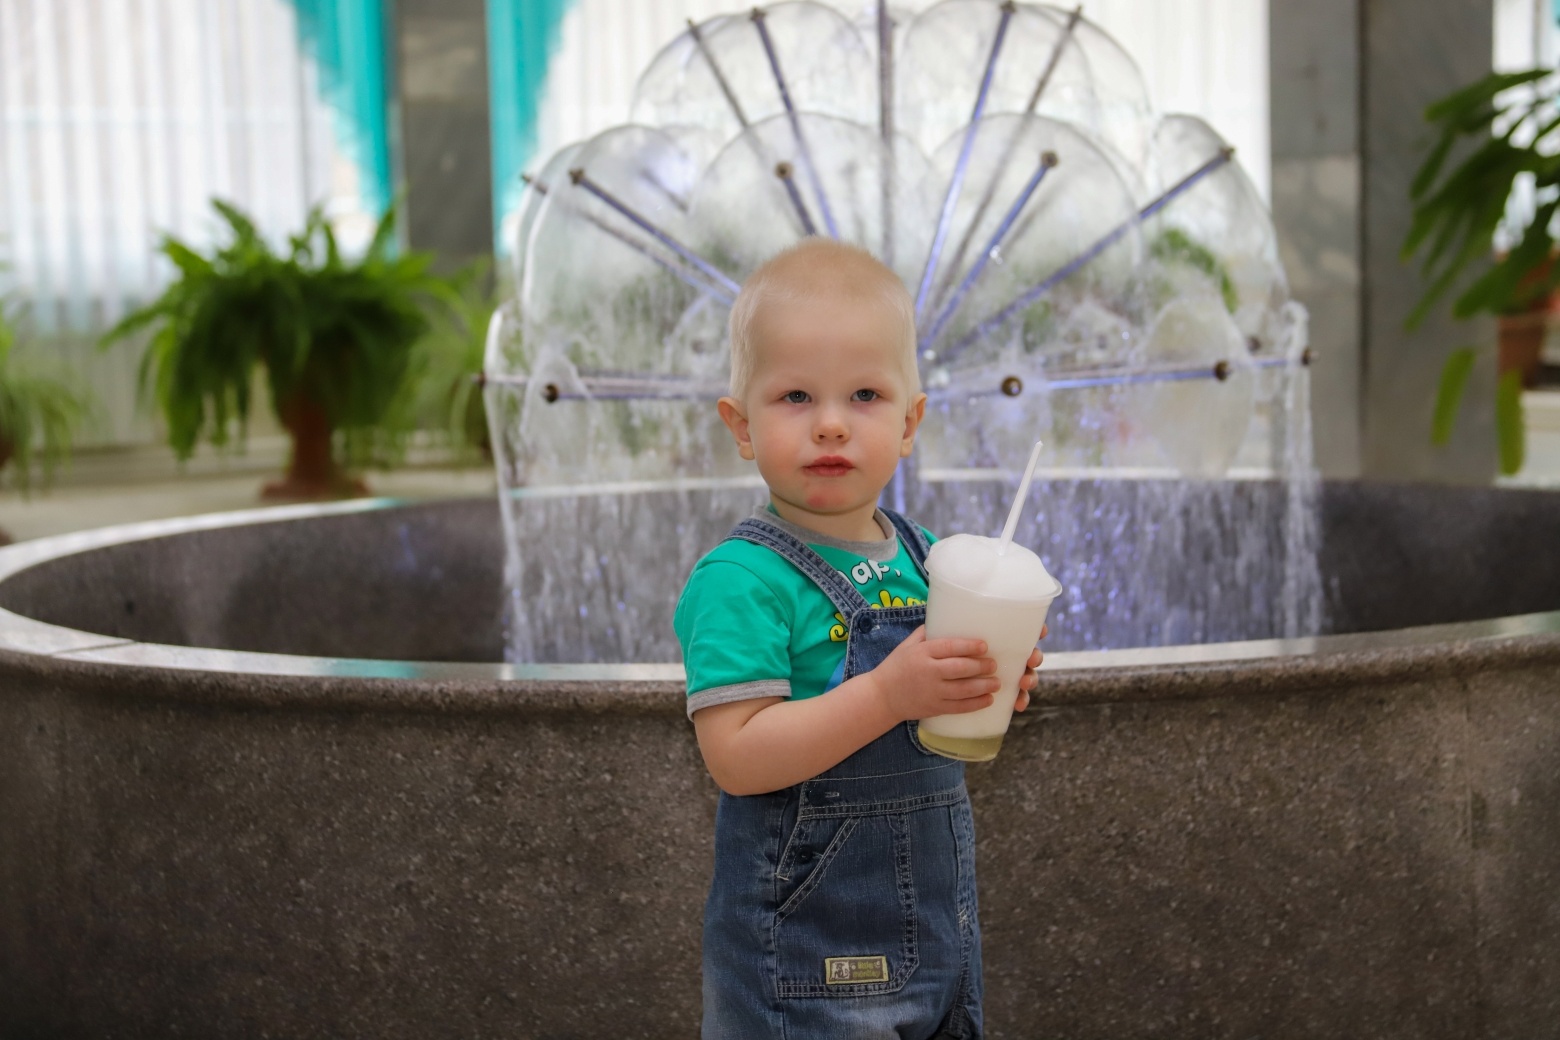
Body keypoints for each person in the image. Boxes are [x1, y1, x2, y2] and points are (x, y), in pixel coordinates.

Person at [673, 238, 1046, 1039]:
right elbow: (735, 756)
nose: (832, 425)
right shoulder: (742, 580)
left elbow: (933, 712)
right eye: (796, 397)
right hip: (808, 962)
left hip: (938, 940)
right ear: (741, 425)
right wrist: (887, 693)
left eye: (866, 395)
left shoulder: (931, 561)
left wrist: (983, 680)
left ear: (910, 422)